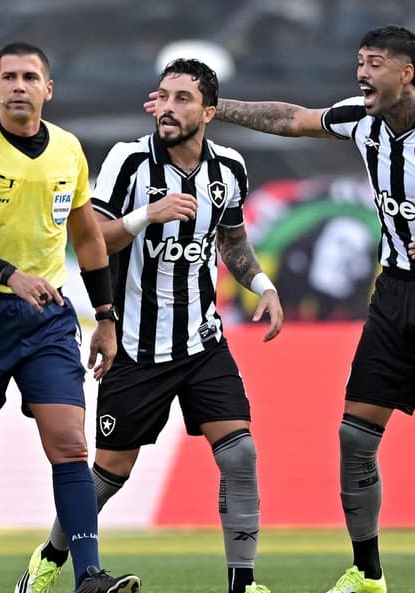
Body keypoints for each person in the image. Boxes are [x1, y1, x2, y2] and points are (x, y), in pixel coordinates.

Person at [177, 25, 415, 593]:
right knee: (356, 437)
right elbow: (293, 119)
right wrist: (216, 106)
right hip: (394, 294)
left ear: (406, 72)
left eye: (375, 63)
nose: (362, 72)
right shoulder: (362, 121)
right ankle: (367, 573)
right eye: (360, 61)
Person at [15, 59, 284, 593]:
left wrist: (264, 286)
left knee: (240, 453)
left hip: (203, 341)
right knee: (110, 473)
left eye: (183, 98)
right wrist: (147, 216)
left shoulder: (229, 168)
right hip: (135, 344)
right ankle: (47, 560)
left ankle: (243, 582)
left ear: (209, 112)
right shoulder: (129, 160)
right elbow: (93, 240)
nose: (168, 107)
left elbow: (231, 241)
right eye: (163, 96)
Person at [0, 42, 141, 593]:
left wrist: (106, 316)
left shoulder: (69, 149)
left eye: (30, 77)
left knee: (70, 444)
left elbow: (88, 236)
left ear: (49, 89)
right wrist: (10, 277)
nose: (19, 86)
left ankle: (89, 576)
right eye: (9, 77)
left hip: (48, 315)